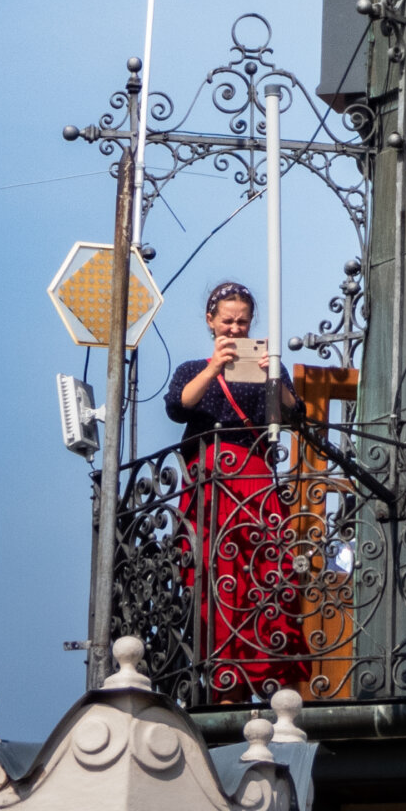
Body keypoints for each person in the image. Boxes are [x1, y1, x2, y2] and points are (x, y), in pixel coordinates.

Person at [163, 281, 308, 699]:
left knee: (264, 570)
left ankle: (269, 671)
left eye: (242, 322)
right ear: (210, 321)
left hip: (256, 477)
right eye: (226, 320)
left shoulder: (271, 367)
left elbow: (295, 415)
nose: (234, 328)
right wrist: (214, 367)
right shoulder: (193, 369)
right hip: (212, 481)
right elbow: (178, 407)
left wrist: (272, 376)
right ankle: (222, 673)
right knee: (216, 570)